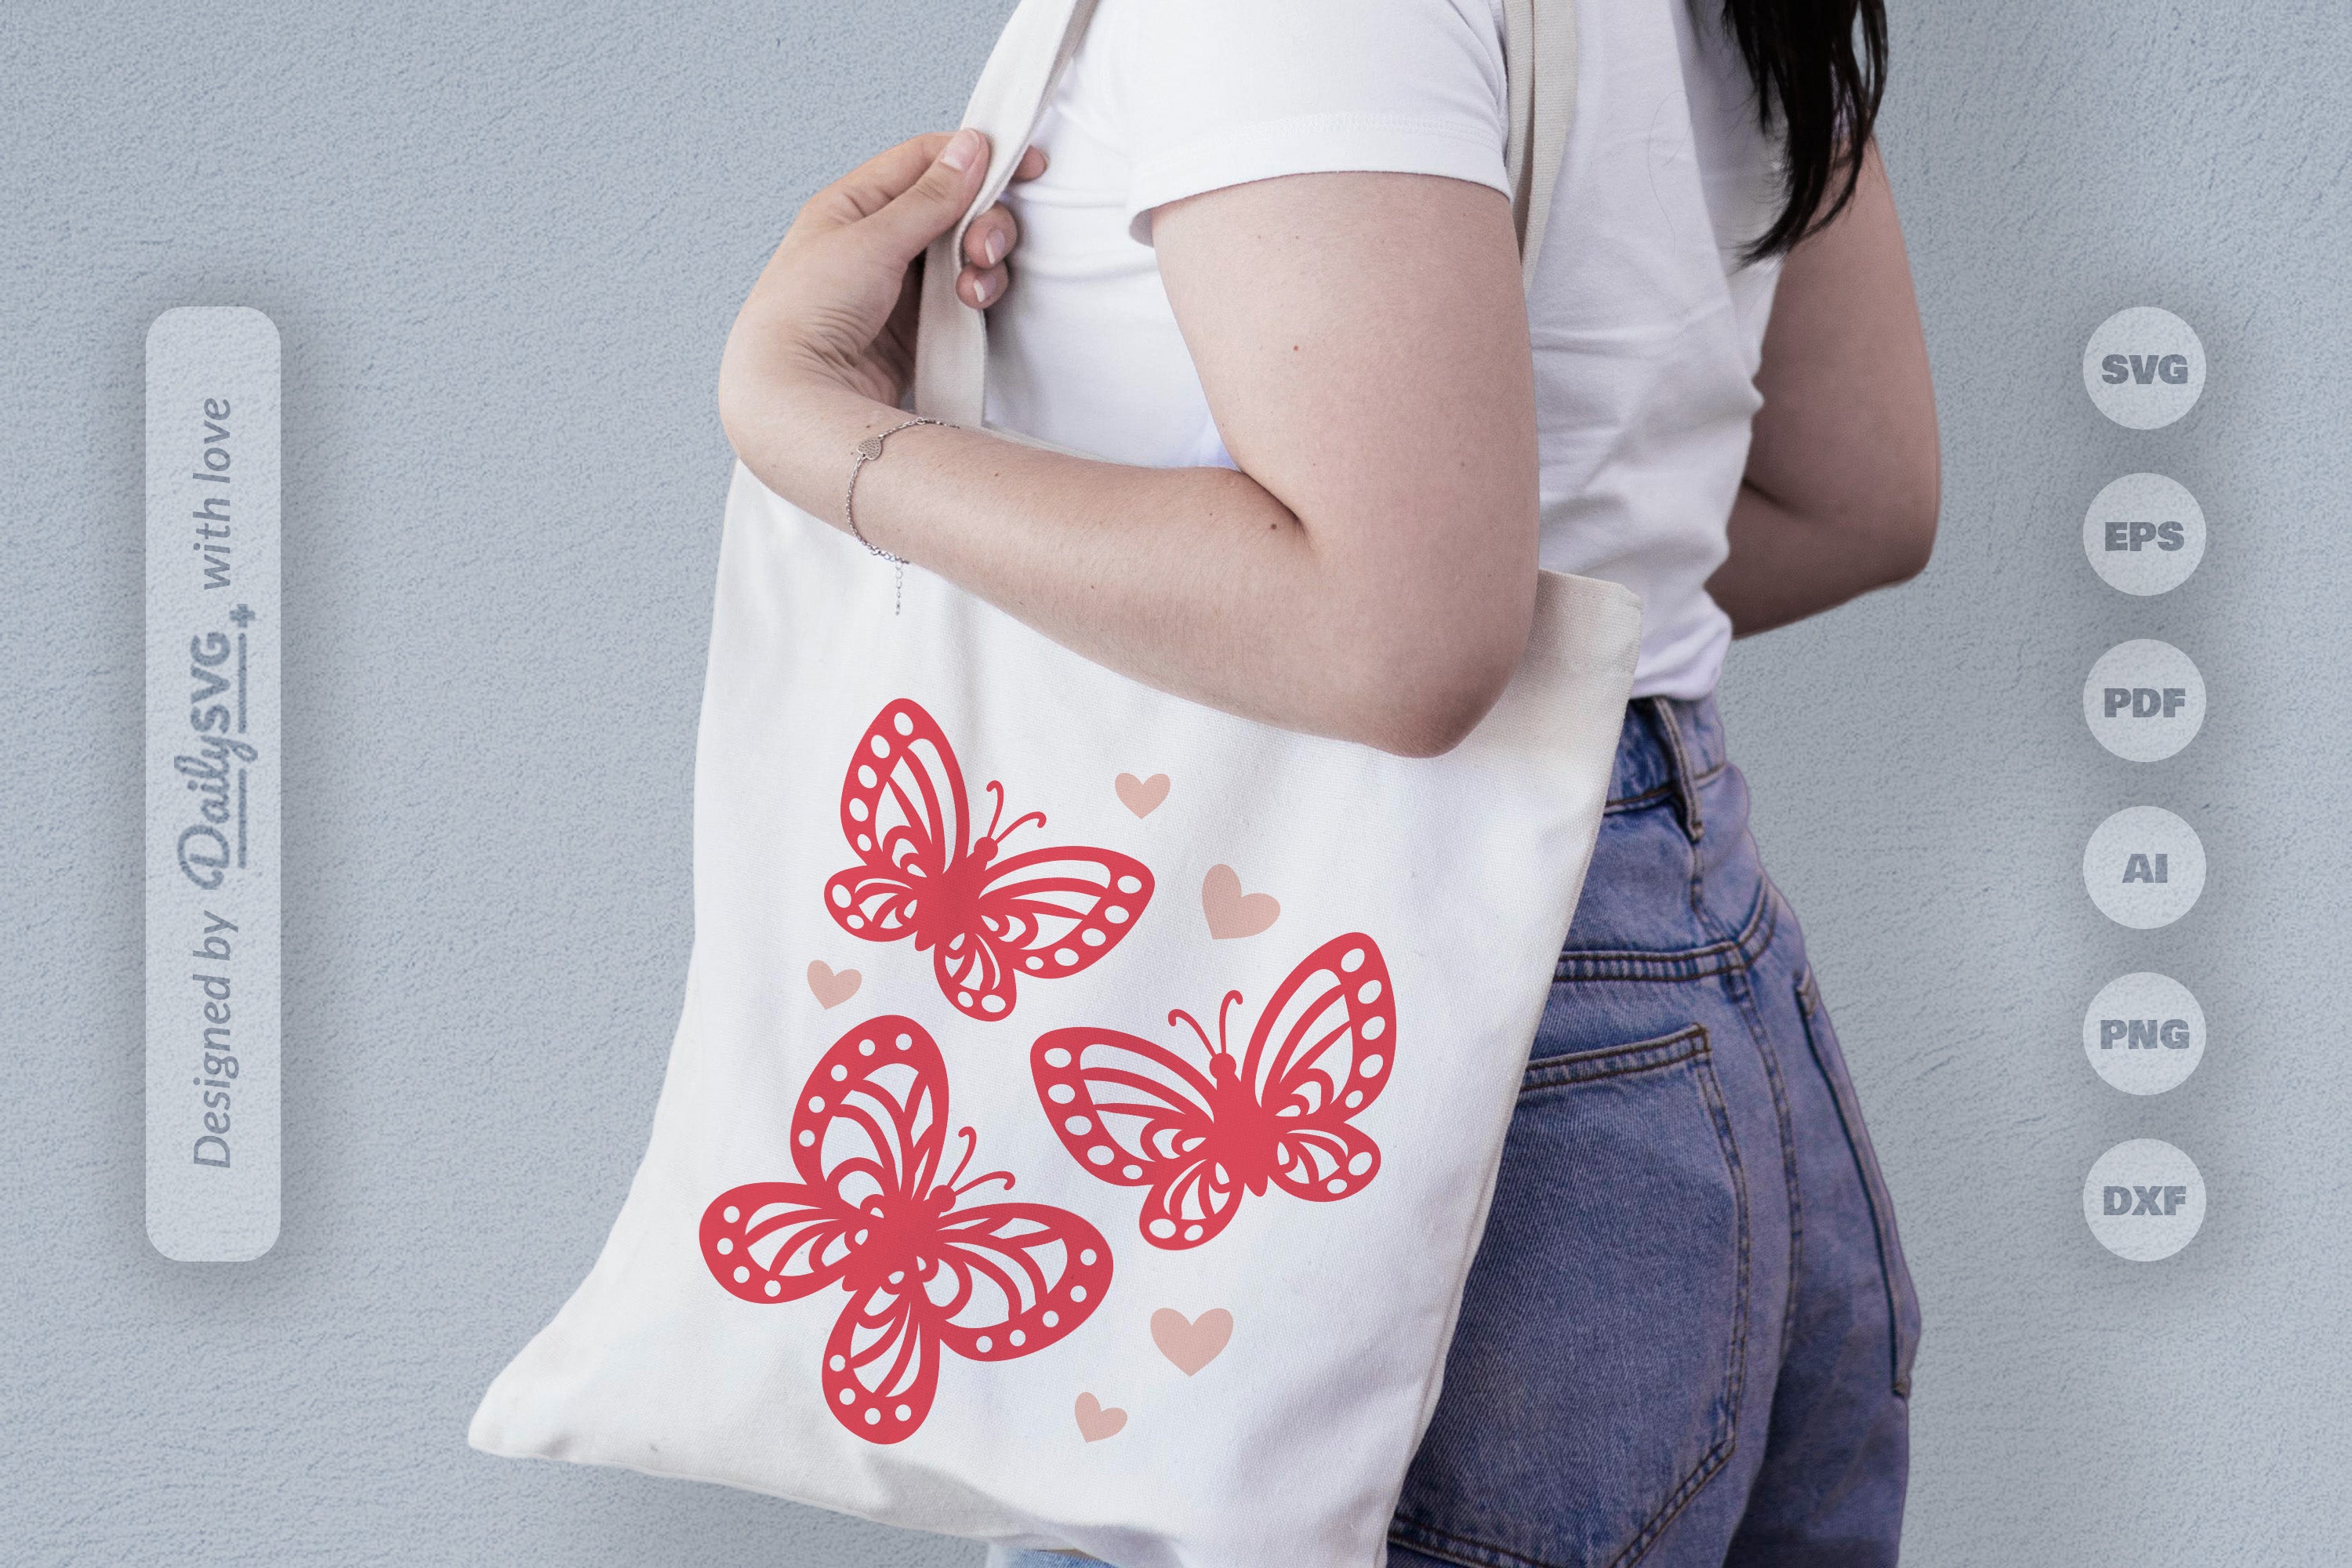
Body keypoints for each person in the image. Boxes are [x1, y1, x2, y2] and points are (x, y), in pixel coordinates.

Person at [719, 0, 1936, 1559]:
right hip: (1702, 1002)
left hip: (1427, 1045)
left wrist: (822, 428)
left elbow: (1397, 640)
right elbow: (1858, 494)